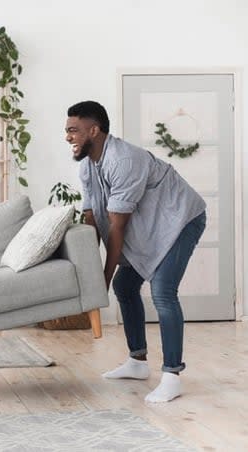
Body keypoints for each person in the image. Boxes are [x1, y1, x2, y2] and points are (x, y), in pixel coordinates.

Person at [65, 101, 206, 403]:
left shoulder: (123, 160)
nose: (68, 136)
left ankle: (172, 375)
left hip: (181, 219)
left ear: (94, 130)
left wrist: (101, 282)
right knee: (125, 286)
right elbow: (92, 220)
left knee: (162, 291)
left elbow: (117, 228)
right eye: (67, 131)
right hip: (151, 224)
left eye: (73, 130)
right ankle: (138, 361)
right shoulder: (88, 167)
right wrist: (91, 277)